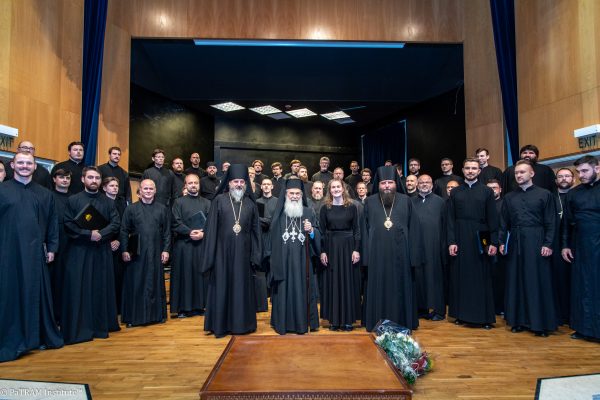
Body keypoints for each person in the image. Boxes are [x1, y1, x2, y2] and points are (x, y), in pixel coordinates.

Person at [0, 152, 63, 362]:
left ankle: (37, 337)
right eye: (21, 163)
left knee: (36, 294)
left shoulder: (45, 194)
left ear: (35, 167)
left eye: (29, 163)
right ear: (12, 165)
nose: (25, 166)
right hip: (7, 254)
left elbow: (53, 224)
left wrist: (52, 247)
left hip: (37, 255)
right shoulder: (2, 190)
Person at [61, 166, 121, 344]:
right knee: (79, 287)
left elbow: (115, 222)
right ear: (83, 179)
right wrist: (88, 234)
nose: (94, 180)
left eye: (96, 178)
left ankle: (99, 326)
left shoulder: (108, 202)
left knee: (99, 287)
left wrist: (100, 234)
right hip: (79, 250)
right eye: (90, 177)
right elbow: (68, 223)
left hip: (101, 250)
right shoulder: (73, 200)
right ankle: (80, 327)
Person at [201, 164, 261, 338]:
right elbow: (211, 230)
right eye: (235, 181)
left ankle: (243, 325)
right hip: (222, 256)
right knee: (222, 287)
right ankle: (220, 325)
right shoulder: (219, 201)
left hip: (243, 256)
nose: (239, 184)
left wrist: (255, 256)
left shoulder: (250, 204)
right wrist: (210, 257)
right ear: (229, 183)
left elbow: (256, 232)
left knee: (241, 289)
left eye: (242, 181)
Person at [499, 160, 557, 337]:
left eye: (522, 172)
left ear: (532, 174)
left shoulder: (545, 195)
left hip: (536, 240)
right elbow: (504, 223)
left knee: (536, 281)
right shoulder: (509, 197)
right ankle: (518, 321)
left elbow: (551, 221)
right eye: (517, 173)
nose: (519, 175)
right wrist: (501, 242)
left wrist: (548, 243)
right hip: (515, 241)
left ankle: (539, 324)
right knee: (516, 280)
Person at [363, 166, 422, 331]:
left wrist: (414, 257)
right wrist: (366, 257)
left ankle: (402, 321)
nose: (387, 186)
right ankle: (377, 322)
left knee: (400, 287)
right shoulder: (369, 202)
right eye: (383, 183)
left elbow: (415, 229)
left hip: (401, 254)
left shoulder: (406, 201)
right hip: (377, 255)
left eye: (390, 182)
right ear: (379, 184)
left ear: (396, 183)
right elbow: (364, 230)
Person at [447, 158, 499, 329]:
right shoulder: (455, 192)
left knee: (481, 277)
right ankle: (461, 315)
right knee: (461, 277)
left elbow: (493, 218)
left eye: (474, 168)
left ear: (479, 171)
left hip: (480, 237)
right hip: (460, 236)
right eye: (467, 168)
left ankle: (484, 317)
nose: (470, 171)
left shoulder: (486, 192)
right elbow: (450, 220)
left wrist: (493, 241)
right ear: (462, 170)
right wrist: (451, 241)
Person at [270, 179, 321, 334]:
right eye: (291, 193)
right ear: (285, 195)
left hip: (302, 261)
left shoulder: (308, 212)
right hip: (283, 262)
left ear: (301, 195)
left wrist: (311, 230)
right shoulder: (279, 214)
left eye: (297, 194)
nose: (294, 196)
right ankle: (282, 323)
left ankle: (302, 323)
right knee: (283, 289)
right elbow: (271, 238)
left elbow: (318, 235)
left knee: (303, 290)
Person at [120, 179, 171, 327]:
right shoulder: (131, 209)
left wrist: (166, 250)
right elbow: (123, 231)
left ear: (155, 191)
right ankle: (134, 318)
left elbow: (167, 232)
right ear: (140, 191)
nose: (148, 191)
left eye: (151, 189)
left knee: (155, 282)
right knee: (137, 283)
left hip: (156, 251)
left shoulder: (162, 209)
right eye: (145, 189)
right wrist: (124, 250)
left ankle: (157, 316)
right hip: (137, 253)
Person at [561, 155, 600, 341]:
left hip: (598, 243)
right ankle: (582, 328)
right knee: (581, 287)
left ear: (597, 168)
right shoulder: (573, 194)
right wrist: (565, 245)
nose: (581, 175)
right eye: (578, 172)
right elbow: (567, 222)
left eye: (585, 171)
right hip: (580, 245)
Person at [319, 179, 361, 331]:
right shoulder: (325, 208)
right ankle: (334, 320)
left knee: (347, 282)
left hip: (348, 247)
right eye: (333, 187)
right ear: (329, 190)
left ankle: (348, 320)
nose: (336, 189)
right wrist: (323, 251)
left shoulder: (352, 207)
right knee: (333, 282)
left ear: (343, 189)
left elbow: (357, 230)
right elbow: (322, 232)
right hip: (331, 247)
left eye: (338, 187)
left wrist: (356, 249)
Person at [170, 174, 211, 318]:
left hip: (201, 244)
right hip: (184, 245)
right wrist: (189, 232)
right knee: (185, 276)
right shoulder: (178, 202)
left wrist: (203, 233)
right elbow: (175, 222)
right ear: (185, 185)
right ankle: (183, 308)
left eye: (196, 183)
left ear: (199, 185)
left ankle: (200, 306)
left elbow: (211, 223)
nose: (193, 185)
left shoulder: (207, 203)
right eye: (190, 183)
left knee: (200, 276)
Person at [412, 174, 446, 321]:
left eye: (427, 182)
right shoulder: (410, 202)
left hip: (435, 246)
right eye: (421, 182)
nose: (424, 184)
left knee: (435, 278)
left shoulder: (440, 202)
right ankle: (421, 308)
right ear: (417, 184)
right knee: (418, 278)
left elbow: (445, 225)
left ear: (432, 185)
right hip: (417, 246)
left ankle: (438, 310)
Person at [49, 169, 72, 323]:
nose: (65, 180)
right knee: (55, 281)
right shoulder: (48, 197)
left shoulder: (75, 198)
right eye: (61, 177)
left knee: (70, 281)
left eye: (67, 178)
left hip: (73, 243)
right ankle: (54, 316)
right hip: (55, 245)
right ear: (54, 179)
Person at [552, 168, 575, 325]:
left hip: (577, 242)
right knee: (559, 280)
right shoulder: (551, 198)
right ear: (556, 181)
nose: (564, 179)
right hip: (556, 243)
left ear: (573, 179)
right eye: (560, 176)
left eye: (567, 176)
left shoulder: (578, 195)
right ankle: (562, 314)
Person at [103, 177, 127, 315]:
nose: (115, 188)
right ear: (105, 187)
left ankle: (118, 308)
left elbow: (124, 224)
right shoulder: (100, 201)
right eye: (112, 185)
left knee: (118, 277)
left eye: (116, 185)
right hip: (104, 244)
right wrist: (109, 241)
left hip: (119, 244)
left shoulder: (122, 203)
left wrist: (118, 240)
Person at [255, 178, 278, 312]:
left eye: (268, 184)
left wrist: (266, 221)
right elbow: (257, 221)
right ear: (261, 187)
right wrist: (267, 221)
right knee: (262, 267)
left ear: (272, 186)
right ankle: (264, 297)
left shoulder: (277, 201)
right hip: (261, 237)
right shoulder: (257, 202)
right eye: (264, 184)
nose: (266, 186)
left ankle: (274, 296)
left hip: (274, 237)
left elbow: (275, 221)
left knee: (273, 266)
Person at [486, 179, 506, 316]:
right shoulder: (484, 204)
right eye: (489, 188)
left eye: (495, 187)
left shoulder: (505, 204)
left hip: (502, 246)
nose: (492, 190)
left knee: (501, 278)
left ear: (500, 189)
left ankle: (501, 306)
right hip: (487, 246)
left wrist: (500, 243)